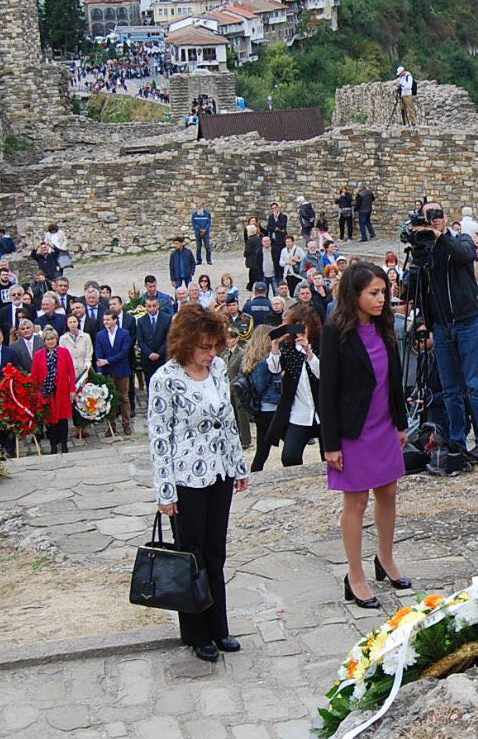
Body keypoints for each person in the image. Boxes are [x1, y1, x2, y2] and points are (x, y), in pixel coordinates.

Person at [148, 303, 250, 663]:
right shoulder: (165, 379)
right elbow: (159, 438)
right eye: (204, 347)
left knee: (215, 553)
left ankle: (219, 627)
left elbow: (229, 420)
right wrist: (166, 491)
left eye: (214, 347)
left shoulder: (219, 369)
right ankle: (196, 632)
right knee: (191, 558)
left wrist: (239, 467)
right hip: (186, 478)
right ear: (185, 343)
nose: (211, 354)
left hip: (219, 473)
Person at [319, 262, 409, 609]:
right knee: (355, 502)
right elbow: (326, 390)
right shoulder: (335, 331)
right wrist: (330, 444)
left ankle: (386, 560)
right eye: (374, 293)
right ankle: (354, 576)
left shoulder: (386, 327)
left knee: (388, 493)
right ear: (354, 294)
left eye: (384, 292)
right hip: (352, 430)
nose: (381, 299)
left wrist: (400, 423)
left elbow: (394, 380)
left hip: (384, 424)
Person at [413, 200, 478, 465]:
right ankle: (457, 442)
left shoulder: (460, 240)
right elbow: (419, 286)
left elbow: (465, 256)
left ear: (445, 218)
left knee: (475, 385)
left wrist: (441, 237)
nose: (434, 219)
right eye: (429, 216)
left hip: (468, 321)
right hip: (441, 324)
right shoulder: (425, 251)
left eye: (438, 215)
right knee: (450, 389)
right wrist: (426, 322)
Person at [253, 304, 324, 470]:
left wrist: (309, 353)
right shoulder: (289, 348)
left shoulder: (321, 345)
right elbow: (274, 368)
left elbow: (323, 373)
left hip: (323, 411)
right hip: (299, 412)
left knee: (328, 454)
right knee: (290, 456)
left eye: (303, 325)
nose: (300, 329)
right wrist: (275, 345)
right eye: (296, 324)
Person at [31, 326, 75, 453]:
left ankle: (64, 444)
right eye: (48, 339)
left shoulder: (64, 352)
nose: (51, 341)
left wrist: (72, 389)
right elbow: (34, 376)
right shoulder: (38, 355)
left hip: (62, 390)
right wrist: (36, 393)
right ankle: (53, 445)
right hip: (46, 392)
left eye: (53, 339)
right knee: (50, 421)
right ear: (44, 341)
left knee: (62, 419)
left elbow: (71, 372)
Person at [93, 310, 135, 435]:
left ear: (115, 320)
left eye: (108, 319)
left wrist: (107, 361)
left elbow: (124, 352)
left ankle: (126, 424)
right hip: (107, 372)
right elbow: (99, 354)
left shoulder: (124, 333)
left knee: (124, 398)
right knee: (109, 399)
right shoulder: (100, 335)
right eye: (104, 320)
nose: (106, 322)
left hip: (122, 370)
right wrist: (100, 370)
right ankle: (111, 426)